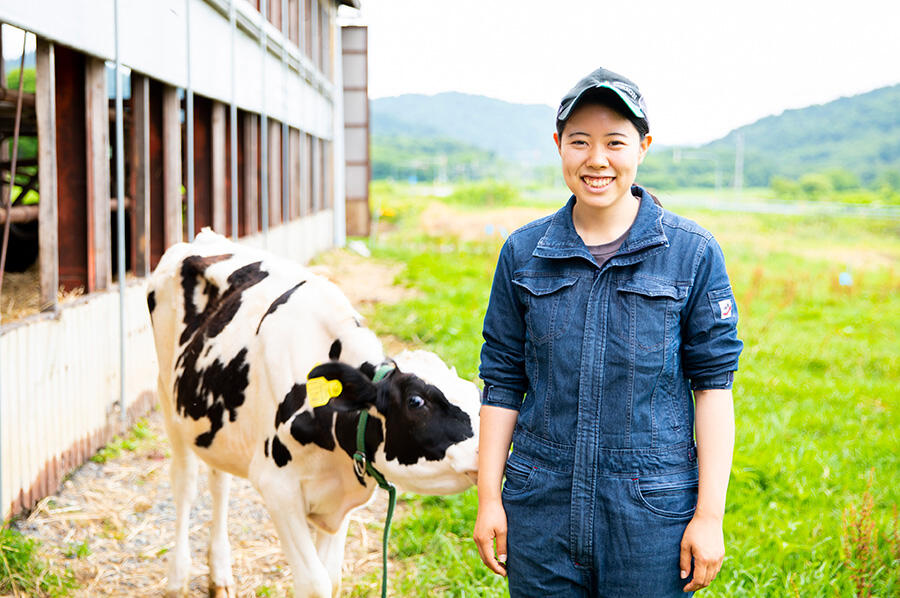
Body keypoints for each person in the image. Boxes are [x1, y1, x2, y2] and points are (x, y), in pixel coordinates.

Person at [473, 67, 743, 597]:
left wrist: (709, 515)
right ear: (558, 146)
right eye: (579, 142)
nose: (596, 160)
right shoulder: (523, 254)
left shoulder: (692, 253)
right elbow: (502, 382)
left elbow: (713, 387)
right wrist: (489, 499)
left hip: (650, 514)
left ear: (642, 146)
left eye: (614, 142)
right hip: (540, 504)